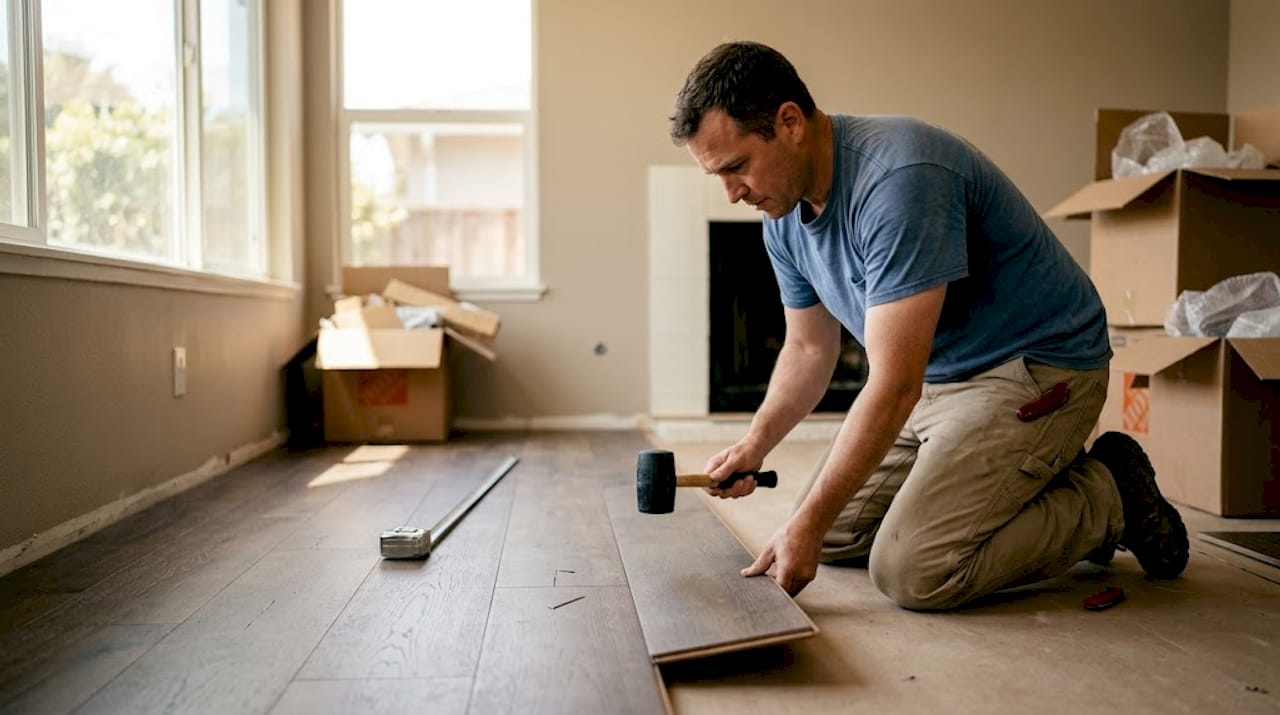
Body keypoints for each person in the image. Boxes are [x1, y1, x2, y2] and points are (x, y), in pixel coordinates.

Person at [667, 41, 1189, 610]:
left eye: (737, 167)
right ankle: (1017, 487)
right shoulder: (782, 214)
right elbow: (809, 350)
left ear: (789, 121)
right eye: (718, 176)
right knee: (833, 531)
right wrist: (755, 444)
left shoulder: (899, 180)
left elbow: (893, 385)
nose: (732, 193)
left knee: (913, 569)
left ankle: (1111, 494)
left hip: (1034, 368)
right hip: (937, 378)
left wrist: (808, 528)